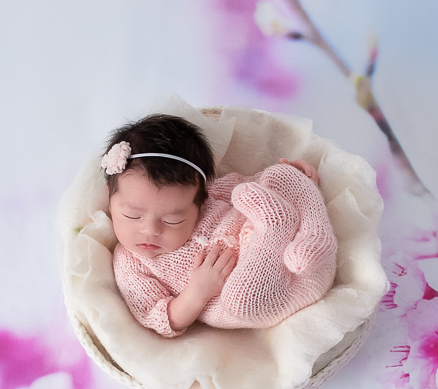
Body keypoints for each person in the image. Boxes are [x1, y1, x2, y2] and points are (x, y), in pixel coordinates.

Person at [102, 114, 337, 337]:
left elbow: (252, 183)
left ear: (201, 201)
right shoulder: (130, 262)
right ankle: (277, 225)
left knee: (278, 175)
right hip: (273, 294)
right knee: (239, 300)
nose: (151, 230)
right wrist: (198, 292)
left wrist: (295, 175)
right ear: (110, 198)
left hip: (308, 258)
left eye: (172, 219)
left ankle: (303, 229)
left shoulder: (212, 194)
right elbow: (159, 318)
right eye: (132, 216)